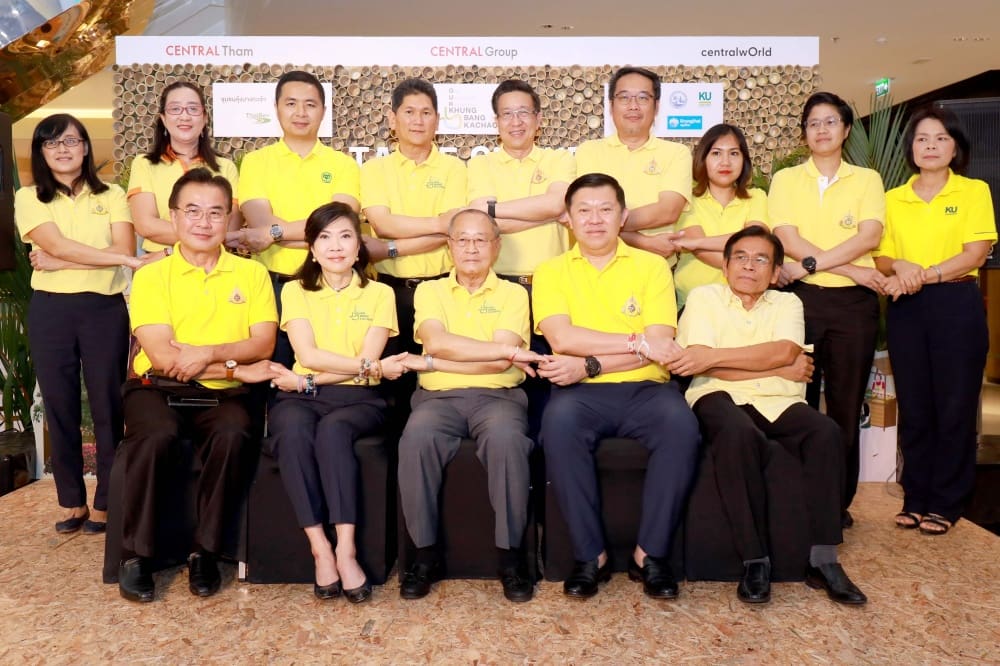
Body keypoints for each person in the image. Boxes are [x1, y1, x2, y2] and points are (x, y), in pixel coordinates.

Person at [673, 226, 867, 606]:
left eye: (761, 259)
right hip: (716, 394)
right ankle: (755, 560)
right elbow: (699, 362)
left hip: (778, 399)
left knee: (827, 433)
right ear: (725, 266)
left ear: (776, 271)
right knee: (739, 434)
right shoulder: (703, 297)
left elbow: (781, 351)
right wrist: (778, 367)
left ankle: (823, 560)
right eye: (741, 258)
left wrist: (720, 357)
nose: (749, 266)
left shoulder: (788, 304)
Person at [533, 173, 699, 600]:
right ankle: (591, 556)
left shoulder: (652, 267)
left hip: (646, 390)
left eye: (605, 209)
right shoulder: (550, 272)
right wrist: (635, 341)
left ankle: (651, 555)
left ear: (622, 217)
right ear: (568, 219)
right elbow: (562, 338)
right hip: (581, 397)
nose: (594, 219)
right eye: (584, 210)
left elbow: (660, 345)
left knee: (681, 426)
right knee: (557, 425)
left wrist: (590, 363)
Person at [117, 168, 279, 603]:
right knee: (156, 435)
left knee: (233, 432)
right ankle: (136, 556)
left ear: (229, 219)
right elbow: (163, 357)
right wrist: (234, 367)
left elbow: (262, 343)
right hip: (157, 386)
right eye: (192, 211)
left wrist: (207, 354)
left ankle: (205, 552)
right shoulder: (152, 276)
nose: (203, 222)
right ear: (173, 217)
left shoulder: (252, 274)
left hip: (223, 393)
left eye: (215, 213)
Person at [396, 209, 542, 603]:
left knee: (508, 442)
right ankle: (424, 556)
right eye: (462, 240)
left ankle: (511, 558)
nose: (471, 248)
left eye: (481, 240)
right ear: (450, 246)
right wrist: (499, 352)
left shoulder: (514, 294)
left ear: (497, 246)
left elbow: (498, 363)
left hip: (498, 397)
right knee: (416, 440)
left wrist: (434, 361)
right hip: (437, 399)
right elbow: (437, 342)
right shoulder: (429, 292)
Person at [266, 202, 408, 602]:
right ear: (311, 249)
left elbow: (364, 368)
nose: (335, 246)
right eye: (324, 238)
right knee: (291, 430)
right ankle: (319, 548)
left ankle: (346, 549)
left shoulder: (380, 293)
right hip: (303, 397)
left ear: (359, 246)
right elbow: (310, 354)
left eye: (345, 236)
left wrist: (307, 379)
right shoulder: (294, 290)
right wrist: (367, 367)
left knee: (334, 430)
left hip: (359, 399)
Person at [14, 113, 142, 535]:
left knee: (108, 404)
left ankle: (106, 500)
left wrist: (61, 260)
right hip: (51, 309)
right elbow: (59, 244)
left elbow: (123, 244)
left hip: (103, 308)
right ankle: (72, 500)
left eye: (71, 140)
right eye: (51, 143)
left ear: (85, 147)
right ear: (41, 152)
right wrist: (115, 259)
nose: (62, 149)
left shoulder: (113, 194)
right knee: (60, 403)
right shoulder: (29, 197)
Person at [875, 106, 996, 536]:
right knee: (915, 406)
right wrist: (901, 265)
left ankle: (947, 501)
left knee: (954, 406)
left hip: (956, 303)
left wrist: (923, 274)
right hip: (908, 309)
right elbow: (882, 257)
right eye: (922, 138)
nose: (931, 146)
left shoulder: (973, 191)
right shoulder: (893, 198)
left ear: (955, 148)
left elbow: (975, 252)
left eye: (941, 138)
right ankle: (916, 497)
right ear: (911, 147)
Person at [769, 91, 887, 527]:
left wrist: (812, 264)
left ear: (846, 129)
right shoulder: (786, 180)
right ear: (804, 133)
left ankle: (836, 503)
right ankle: (795, 496)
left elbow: (869, 237)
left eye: (831, 122)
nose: (822, 130)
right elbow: (786, 237)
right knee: (793, 401)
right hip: (800, 301)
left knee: (844, 406)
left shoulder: (867, 179)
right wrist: (853, 270)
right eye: (814, 123)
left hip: (853, 307)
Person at [466, 78, 575, 435]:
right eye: (507, 114)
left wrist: (496, 209)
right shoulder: (480, 166)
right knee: (505, 380)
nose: (516, 122)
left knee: (551, 383)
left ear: (538, 119)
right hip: (498, 288)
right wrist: (545, 212)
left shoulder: (560, 159)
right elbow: (481, 222)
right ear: (496, 122)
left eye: (524, 113)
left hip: (551, 288)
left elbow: (558, 202)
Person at [237, 70, 360, 367]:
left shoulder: (344, 165)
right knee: (274, 376)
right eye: (291, 103)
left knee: (331, 372)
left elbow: (340, 224)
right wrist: (320, 237)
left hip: (330, 285)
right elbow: (260, 224)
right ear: (277, 108)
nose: (301, 112)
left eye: (310, 104)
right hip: (273, 287)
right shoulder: (255, 162)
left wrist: (275, 234)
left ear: (324, 111)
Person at [361, 77, 467, 360]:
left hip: (443, 288)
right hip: (388, 291)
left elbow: (453, 231)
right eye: (409, 112)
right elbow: (383, 224)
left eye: (426, 112)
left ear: (437, 120)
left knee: (441, 373)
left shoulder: (454, 169)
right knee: (392, 376)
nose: (418, 121)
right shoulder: (374, 170)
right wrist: (439, 224)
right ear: (392, 119)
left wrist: (391, 247)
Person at [575, 66, 691, 260]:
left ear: (656, 106)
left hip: (654, 268)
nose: (633, 106)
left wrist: (603, 223)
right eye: (624, 98)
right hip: (596, 266)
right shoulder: (588, 151)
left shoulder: (677, 153)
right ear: (611, 106)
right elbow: (582, 215)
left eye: (643, 98)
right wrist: (643, 241)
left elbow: (668, 211)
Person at [128, 80, 241, 257]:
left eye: (193, 109)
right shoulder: (144, 164)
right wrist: (203, 236)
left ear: (204, 118)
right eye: (175, 109)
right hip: (159, 265)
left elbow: (229, 227)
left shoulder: (226, 167)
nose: (185, 116)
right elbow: (146, 225)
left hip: (209, 264)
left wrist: (170, 251)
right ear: (163, 119)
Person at [672, 123, 768, 309]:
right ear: (703, 159)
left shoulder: (757, 197)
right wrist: (746, 264)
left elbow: (755, 241)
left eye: (734, 153)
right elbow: (702, 252)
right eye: (716, 153)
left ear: (744, 160)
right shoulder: (686, 199)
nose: (725, 162)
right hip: (694, 301)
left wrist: (697, 243)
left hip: (745, 302)